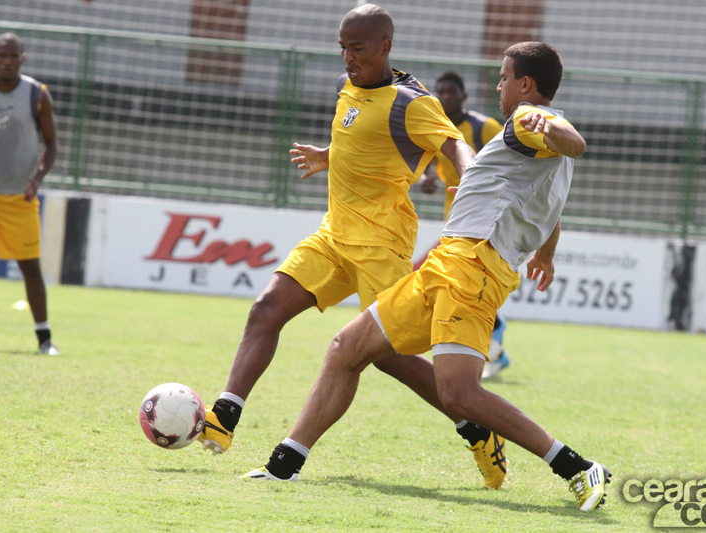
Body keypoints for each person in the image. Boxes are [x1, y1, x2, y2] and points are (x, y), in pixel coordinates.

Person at [248, 42, 612, 512]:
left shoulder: (528, 120)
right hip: (447, 263)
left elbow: (574, 142)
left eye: (504, 78)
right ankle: (283, 465)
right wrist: (546, 253)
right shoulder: (533, 143)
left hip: (473, 268)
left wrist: (557, 127)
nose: (498, 86)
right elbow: (550, 206)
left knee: (458, 394)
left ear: (526, 85)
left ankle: (579, 468)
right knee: (347, 350)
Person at [198, 4, 510, 490]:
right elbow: (361, 137)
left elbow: (453, 145)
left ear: (384, 46)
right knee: (265, 309)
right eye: (343, 47)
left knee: (387, 355)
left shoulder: (412, 101)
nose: (347, 56)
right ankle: (224, 415)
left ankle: (476, 427)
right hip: (333, 233)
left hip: (381, 243)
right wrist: (330, 156)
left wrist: (470, 179)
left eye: (357, 48)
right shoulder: (351, 85)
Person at [418, 71, 510, 378]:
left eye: (450, 91)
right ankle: (492, 343)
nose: (444, 97)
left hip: (486, 223)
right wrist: (428, 180)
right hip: (454, 222)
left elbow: (508, 166)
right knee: (458, 287)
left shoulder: (485, 128)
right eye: (439, 91)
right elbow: (429, 166)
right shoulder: (436, 129)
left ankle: (492, 345)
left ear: (464, 96)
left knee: (467, 286)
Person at [0, 33, 59, 355]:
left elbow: (52, 144)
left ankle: (44, 340)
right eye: (3, 55)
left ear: (22, 59)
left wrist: (36, 179)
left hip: (18, 198)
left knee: (30, 269)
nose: (8, 60)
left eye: (14, 55)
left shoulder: (37, 95)